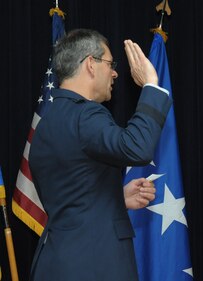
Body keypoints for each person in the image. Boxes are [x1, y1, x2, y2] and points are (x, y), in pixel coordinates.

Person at [28, 29, 172, 281]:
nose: (115, 72)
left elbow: (71, 194)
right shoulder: (86, 114)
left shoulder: (45, 125)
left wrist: (116, 197)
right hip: (94, 265)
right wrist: (151, 84)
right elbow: (137, 146)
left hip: (55, 262)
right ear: (91, 65)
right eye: (110, 64)